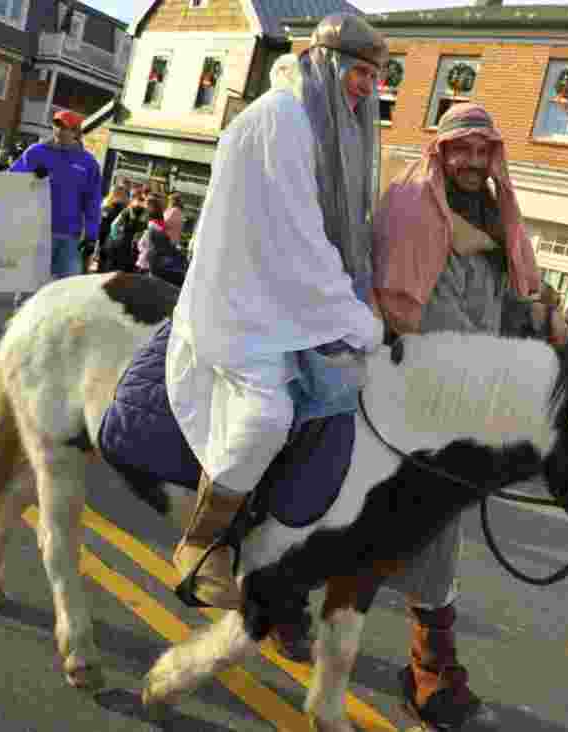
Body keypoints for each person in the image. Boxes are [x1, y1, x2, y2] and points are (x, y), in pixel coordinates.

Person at [164, 16, 387, 657]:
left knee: (343, 403)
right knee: (268, 414)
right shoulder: (283, 120)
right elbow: (300, 243)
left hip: (283, 297)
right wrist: (357, 319)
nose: (366, 88)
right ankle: (202, 541)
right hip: (243, 304)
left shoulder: (321, 125)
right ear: (323, 63)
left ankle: (279, 564)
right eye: (359, 73)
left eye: (375, 77)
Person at [372, 101, 565, 730]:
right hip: (401, 365)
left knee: (440, 509)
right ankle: (429, 665)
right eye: (462, 150)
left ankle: (424, 656)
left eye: (483, 152)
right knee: (434, 497)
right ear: (441, 152)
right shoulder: (412, 207)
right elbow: (412, 309)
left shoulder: (496, 216)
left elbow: (512, 299)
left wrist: (543, 318)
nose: (473, 162)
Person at [9, 110, 101, 304]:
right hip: (37, 231)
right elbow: (10, 180)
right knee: (29, 291)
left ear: (76, 132)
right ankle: (22, 330)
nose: (59, 130)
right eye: (57, 125)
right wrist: (31, 176)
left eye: (65, 127)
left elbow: (92, 202)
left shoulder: (88, 163)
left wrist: (92, 236)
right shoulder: (36, 152)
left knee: (67, 293)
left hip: (69, 236)